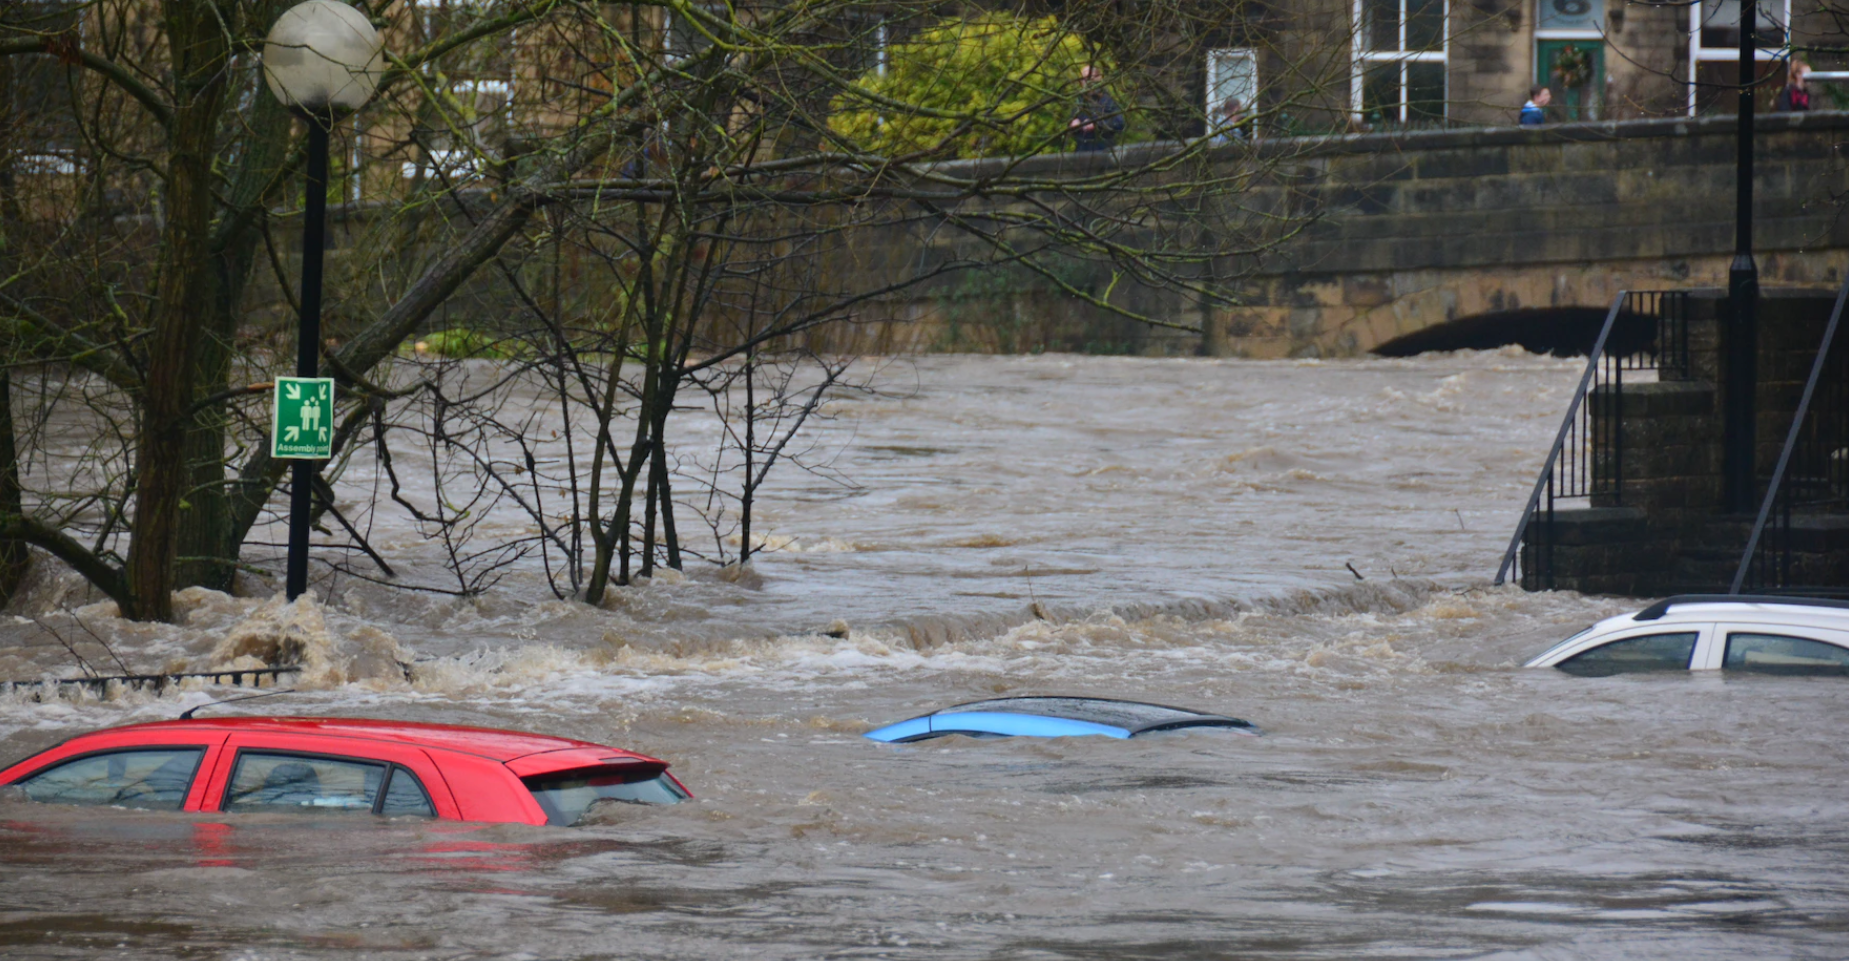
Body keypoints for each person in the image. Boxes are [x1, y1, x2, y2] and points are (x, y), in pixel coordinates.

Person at [1069, 65, 1126, 152]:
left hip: (1104, 151)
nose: (1087, 82)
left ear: (1099, 78)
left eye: (1090, 78)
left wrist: (1096, 125)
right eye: (1083, 79)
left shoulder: (1107, 99)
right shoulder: (1079, 101)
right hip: (1082, 152)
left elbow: (1119, 123)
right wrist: (1073, 124)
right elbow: (1071, 123)